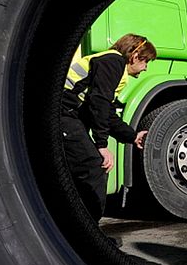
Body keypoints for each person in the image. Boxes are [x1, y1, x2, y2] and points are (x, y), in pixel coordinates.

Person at [62, 33, 157, 223]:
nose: (145, 68)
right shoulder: (113, 62)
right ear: (135, 56)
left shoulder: (113, 65)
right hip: (62, 114)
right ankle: (88, 230)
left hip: (66, 115)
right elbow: (99, 103)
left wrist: (132, 136)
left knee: (78, 170)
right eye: (146, 61)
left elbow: (107, 114)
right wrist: (102, 145)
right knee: (95, 165)